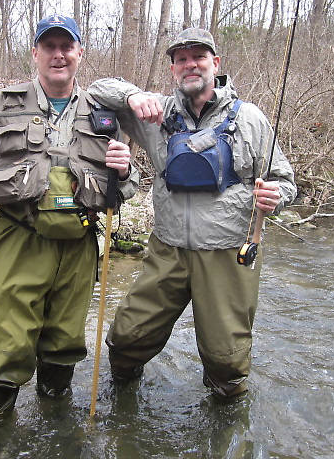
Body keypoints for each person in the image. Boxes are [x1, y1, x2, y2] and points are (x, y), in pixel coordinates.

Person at [88, 28, 296, 400]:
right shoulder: (155, 112)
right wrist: (134, 96)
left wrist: (276, 195)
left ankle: (226, 418)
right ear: (173, 70)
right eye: (181, 59)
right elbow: (98, 89)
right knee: (126, 338)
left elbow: (284, 180)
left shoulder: (250, 119)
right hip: (167, 250)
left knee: (226, 360)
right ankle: (122, 396)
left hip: (227, 253)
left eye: (198, 57)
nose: (189, 65)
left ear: (215, 64)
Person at [0, 14, 138, 418]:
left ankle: (55, 424)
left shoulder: (105, 113)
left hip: (79, 246)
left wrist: (124, 171)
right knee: (6, 345)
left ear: (79, 54)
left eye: (66, 47)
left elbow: (123, 189)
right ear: (35, 53)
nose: (58, 55)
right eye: (49, 47)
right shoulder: (4, 104)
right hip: (20, 238)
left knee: (64, 344)